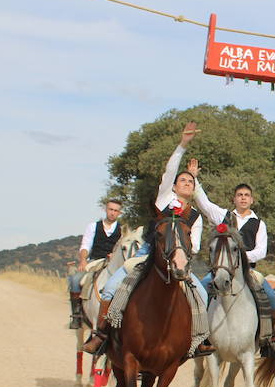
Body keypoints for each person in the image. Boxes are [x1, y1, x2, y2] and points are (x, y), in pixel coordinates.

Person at [85, 123, 214, 357]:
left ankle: (199, 341)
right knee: (111, 288)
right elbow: (170, 169)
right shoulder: (165, 198)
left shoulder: (195, 216)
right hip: (148, 253)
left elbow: (193, 244)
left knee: (202, 295)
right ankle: (101, 335)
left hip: (179, 259)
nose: (187, 183)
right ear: (174, 186)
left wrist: (180, 255)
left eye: (190, 182)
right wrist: (182, 145)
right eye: (182, 180)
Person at [193, 180, 275, 354]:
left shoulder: (259, 223)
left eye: (246, 195)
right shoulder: (223, 216)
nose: (243, 198)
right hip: (221, 269)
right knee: (200, 290)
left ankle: (267, 339)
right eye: (240, 195)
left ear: (252, 200)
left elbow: (261, 250)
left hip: (248, 270)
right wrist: (194, 179)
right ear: (234, 199)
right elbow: (204, 204)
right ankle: (200, 337)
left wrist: (240, 257)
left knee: (270, 295)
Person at [70, 199, 123, 329]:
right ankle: (77, 315)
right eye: (110, 209)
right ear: (106, 209)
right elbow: (85, 245)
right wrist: (83, 260)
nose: (112, 213)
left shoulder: (122, 229)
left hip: (115, 264)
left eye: (116, 211)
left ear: (119, 213)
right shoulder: (93, 226)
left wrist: (114, 254)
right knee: (75, 280)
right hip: (96, 261)